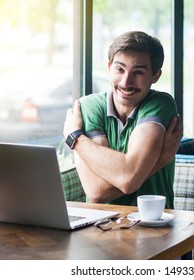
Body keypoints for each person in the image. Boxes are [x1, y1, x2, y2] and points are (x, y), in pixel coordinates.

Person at [63, 31, 182, 208]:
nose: (126, 82)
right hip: (99, 226)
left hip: (153, 225)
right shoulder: (89, 106)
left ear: (155, 75)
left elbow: (128, 178)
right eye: (120, 69)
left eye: (138, 72)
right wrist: (160, 160)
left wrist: (75, 138)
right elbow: (97, 192)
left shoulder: (160, 104)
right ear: (109, 67)